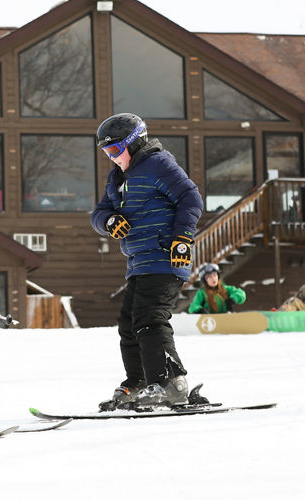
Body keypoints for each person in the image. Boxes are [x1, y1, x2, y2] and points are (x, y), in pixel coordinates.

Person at [91, 113, 203, 410]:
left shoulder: (158, 164)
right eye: (106, 153)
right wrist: (109, 220)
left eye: (115, 150)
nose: (112, 158)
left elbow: (191, 198)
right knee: (129, 324)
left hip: (165, 257)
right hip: (139, 262)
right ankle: (138, 382)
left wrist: (183, 237)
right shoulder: (117, 178)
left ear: (135, 143)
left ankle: (169, 383)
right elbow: (98, 213)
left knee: (149, 320)